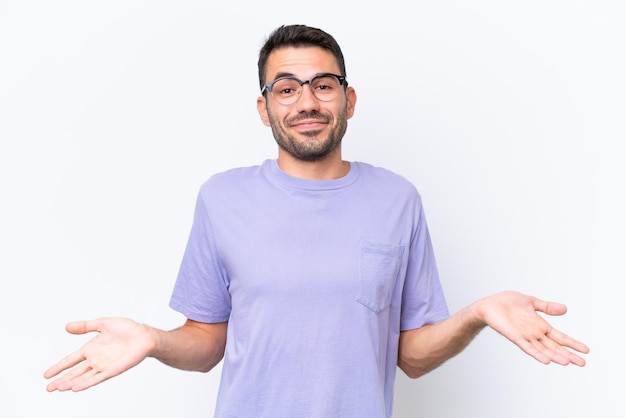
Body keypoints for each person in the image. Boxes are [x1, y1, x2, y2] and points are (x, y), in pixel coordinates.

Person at [44, 24, 589, 417]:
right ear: (265, 109)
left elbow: (412, 358)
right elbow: (207, 344)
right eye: (286, 88)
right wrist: (152, 340)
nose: (307, 101)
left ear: (348, 99)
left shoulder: (398, 199)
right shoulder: (222, 198)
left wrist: (478, 313)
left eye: (323, 85)